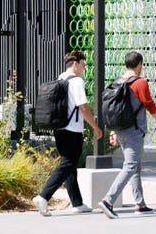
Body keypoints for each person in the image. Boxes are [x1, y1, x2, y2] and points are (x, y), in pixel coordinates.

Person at [33, 50, 103, 216]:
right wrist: (95, 127)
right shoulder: (77, 81)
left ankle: (77, 202)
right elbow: (83, 107)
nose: (84, 69)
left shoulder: (61, 78)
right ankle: (44, 196)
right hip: (72, 129)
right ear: (76, 63)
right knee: (68, 164)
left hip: (59, 127)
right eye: (83, 65)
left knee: (70, 164)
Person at [99, 51, 156, 219]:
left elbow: (116, 109)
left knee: (135, 166)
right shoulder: (140, 82)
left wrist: (113, 130)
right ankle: (108, 200)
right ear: (139, 64)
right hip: (134, 130)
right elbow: (149, 104)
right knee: (130, 166)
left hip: (121, 129)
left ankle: (140, 203)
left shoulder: (118, 81)